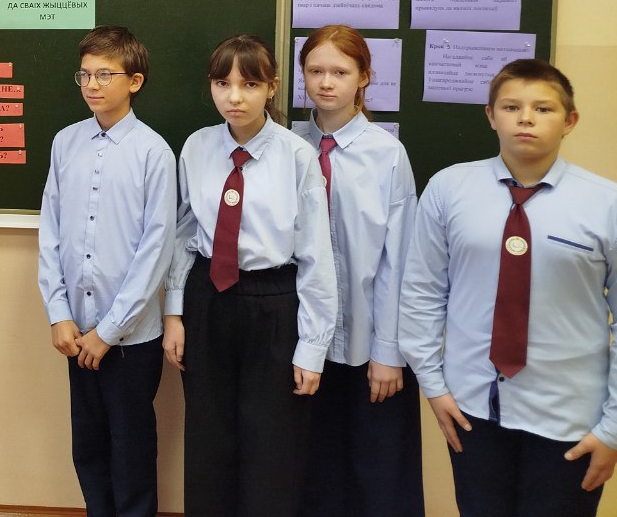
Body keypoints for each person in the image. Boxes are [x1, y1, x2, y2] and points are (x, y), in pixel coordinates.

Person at [399, 59, 617, 517]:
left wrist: (613, 428)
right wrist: (434, 387)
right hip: (472, 409)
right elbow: (422, 294)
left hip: (570, 420)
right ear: (491, 115)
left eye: (543, 108)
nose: (526, 118)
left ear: (570, 121)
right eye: (512, 107)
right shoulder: (449, 189)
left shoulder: (605, 203)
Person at [162, 34, 336, 517]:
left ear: (272, 87)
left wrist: (313, 347)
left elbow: (317, 253)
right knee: (208, 436)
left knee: (272, 440)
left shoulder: (296, 155)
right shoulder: (197, 147)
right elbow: (183, 233)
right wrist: (174, 313)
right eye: (222, 84)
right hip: (208, 298)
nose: (234, 97)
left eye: (249, 84)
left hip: (273, 301)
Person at [37, 26, 176, 517]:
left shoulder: (154, 152)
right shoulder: (65, 142)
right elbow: (50, 232)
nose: (91, 85)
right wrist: (58, 313)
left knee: (130, 450)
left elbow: (156, 251)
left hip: (130, 338)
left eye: (104, 75)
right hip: (76, 331)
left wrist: (109, 332)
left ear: (134, 81)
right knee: (89, 446)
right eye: (85, 75)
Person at [293, 25, 424, 517]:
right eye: (315, 71)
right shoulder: (287, 146)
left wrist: (389, 351)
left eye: (340, 72)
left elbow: (399, 258)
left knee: (377, 475)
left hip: (370, 345)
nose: (326, 82)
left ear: (364, 77)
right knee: (313, 473)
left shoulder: (387, 154)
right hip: (304, 344)